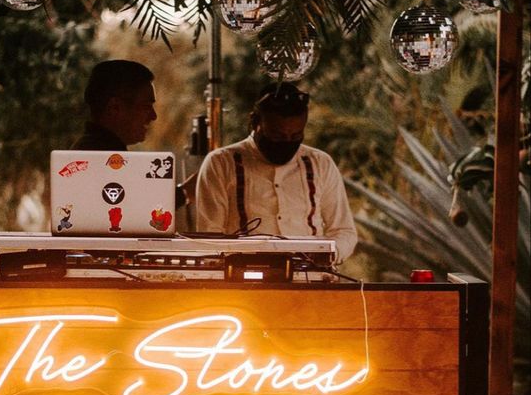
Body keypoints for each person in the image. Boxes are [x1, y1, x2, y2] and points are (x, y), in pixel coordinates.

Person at [196, 82, 357, 262]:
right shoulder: (221, 163)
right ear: (255, 122)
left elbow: (344, 231)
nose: (286, 143)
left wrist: (328, 255)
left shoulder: (320, 163)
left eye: (296, 136)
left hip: (310, 277)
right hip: (244, 279)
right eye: (277, 136)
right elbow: (209, 235)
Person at [72, 60, 196, 208]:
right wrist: (184, 193)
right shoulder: (99, 157)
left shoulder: (93, 149)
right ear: (115, 108)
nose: (153, 116)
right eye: (146, 106)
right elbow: (134, 211)